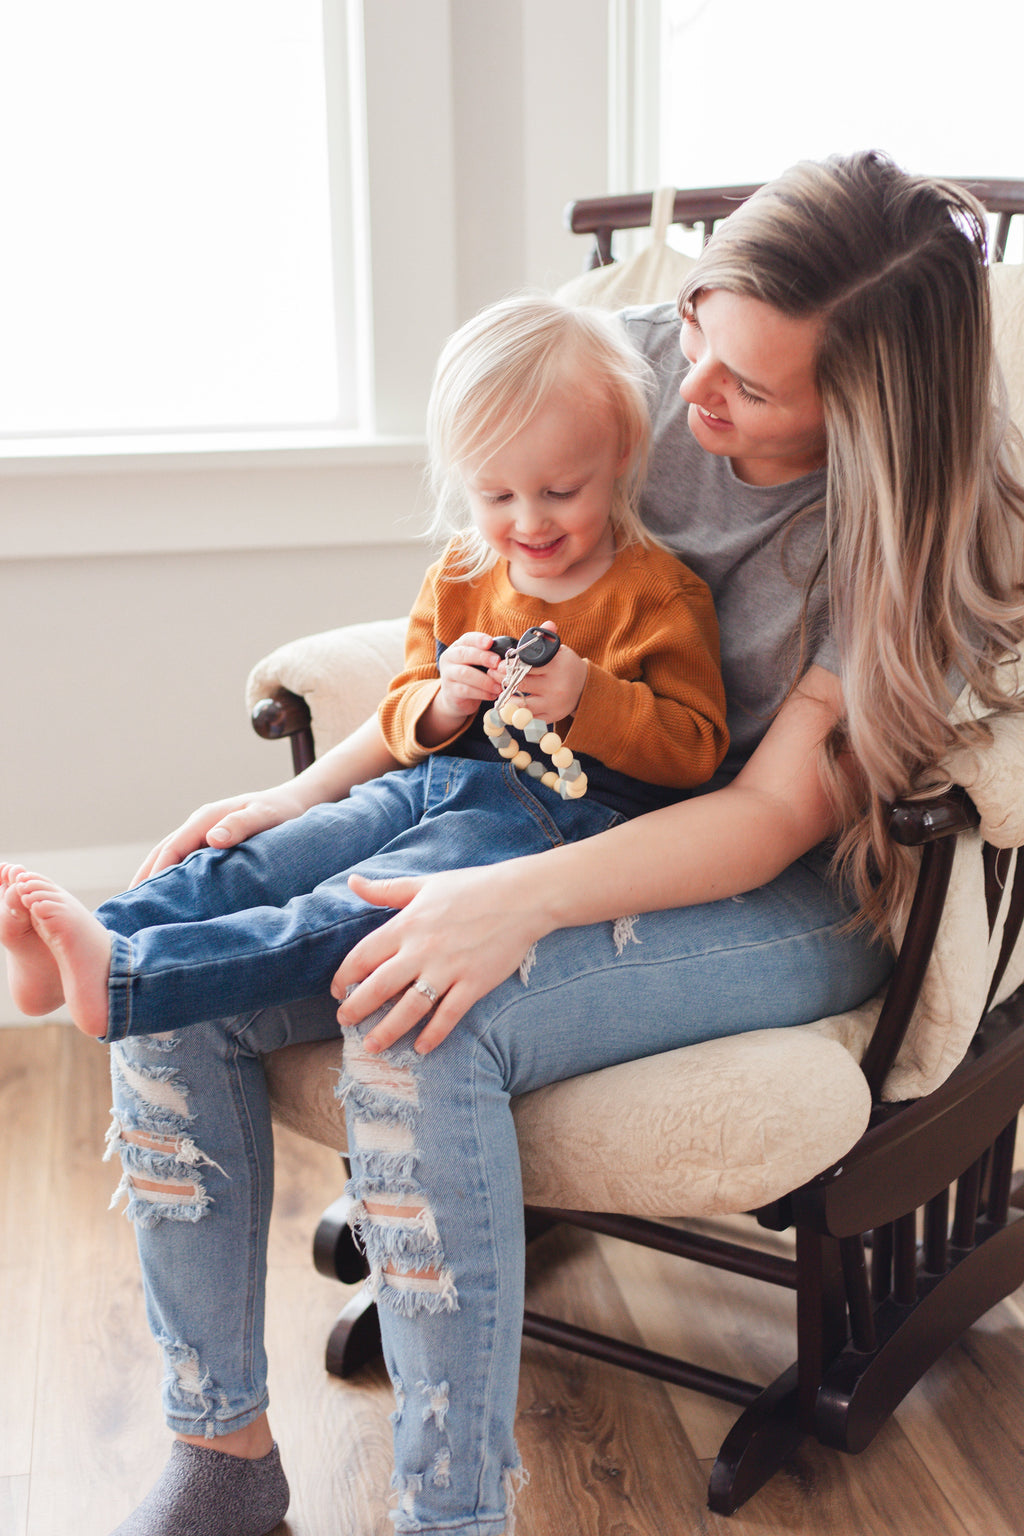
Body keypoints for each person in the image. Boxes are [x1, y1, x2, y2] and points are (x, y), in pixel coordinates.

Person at [10, 149, 1024, 1536]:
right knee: (181, 989)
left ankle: (452, 1514)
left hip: (776, 886)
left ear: (861, 410)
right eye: (701, 337)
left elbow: (767, 817)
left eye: (752, 387)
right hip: (538, 804)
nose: (693, 393)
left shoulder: (910, 521)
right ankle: (221, 1456)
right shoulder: (641, 374)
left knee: (421, 1013)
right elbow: (473, 597)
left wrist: (516, 906)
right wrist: (299, 803)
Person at [1, 295, 727, 1046]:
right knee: (263, 861)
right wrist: (446, 701)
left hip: (547, 821)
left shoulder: (659, 596)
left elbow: (697, 751)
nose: (530, 523)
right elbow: (405, 705)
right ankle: (89, 940)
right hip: (423, 782)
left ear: (618, 457)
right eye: (497, 495)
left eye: (560, 492)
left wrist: (588, 697)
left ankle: (125, 978)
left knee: (351, 906)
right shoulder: (461, 575)